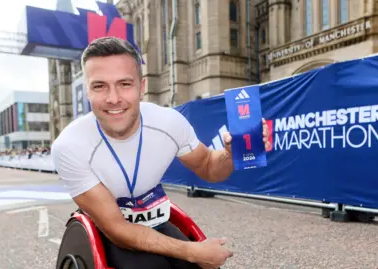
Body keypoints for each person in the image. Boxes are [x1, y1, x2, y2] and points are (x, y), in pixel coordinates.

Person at [51, 37, 271, 269]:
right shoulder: (69, 145)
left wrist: (229, 154)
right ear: (87, 91)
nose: (113, 98)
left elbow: (208, 166)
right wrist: (194, 251)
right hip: (107, 227)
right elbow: (117, 230)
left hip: (152, 216)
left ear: (141, 87)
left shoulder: (169, 122)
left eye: (125, 84)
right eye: (99, 86)